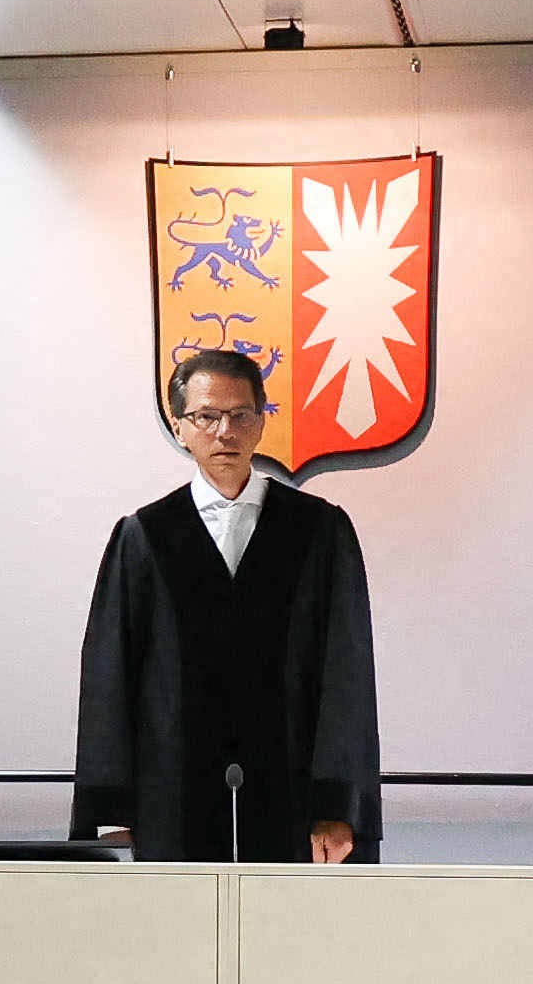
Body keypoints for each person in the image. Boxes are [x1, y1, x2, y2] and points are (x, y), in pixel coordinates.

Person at [69, 343, 379, 863]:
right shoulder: (144, 537)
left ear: (261, 422)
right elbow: (110, 677)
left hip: (293, 798)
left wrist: (337, 803)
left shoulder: (319, 532)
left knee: (290, 935)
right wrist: (111, 808)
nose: (224, 432)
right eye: (206, 416)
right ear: (179, 426)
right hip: (173, 796)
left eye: (240, 415)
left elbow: (346, 677)